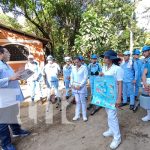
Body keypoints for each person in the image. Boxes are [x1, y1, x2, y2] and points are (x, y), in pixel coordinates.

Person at [0, 46, 30, 150]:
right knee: (3, 122)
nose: (10, 54)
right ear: (1, 53)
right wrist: (10, 78)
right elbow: (8, 78)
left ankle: (17, 131)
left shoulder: (5, 64)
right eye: (7, 52)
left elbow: (10, 77)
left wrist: (19, 72)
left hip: (10, 96)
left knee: (13, 115)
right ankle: (5, 145)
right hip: (3, 99)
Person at [100, 50, 123, 149]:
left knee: (112, 116)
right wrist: (101, 75)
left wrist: (119, 98)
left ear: (111, 59)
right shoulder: (104, 68)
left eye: (106, 57)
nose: (104, 59)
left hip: (114, 96)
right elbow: (104, 81)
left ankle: (117, 138)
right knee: (108, 113)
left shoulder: (117, 69)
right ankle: (111, 130)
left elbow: (120, 83)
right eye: (104, 57)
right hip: (106, 94)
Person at [70, 56, 88, 121]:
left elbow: (85, 78)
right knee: (77, 101)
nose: (76, 63)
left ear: (80, 61)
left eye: (77, 62)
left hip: (81, 87)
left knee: (83, 101)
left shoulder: (84, 68)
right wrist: (71, 84)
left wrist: (80, 85)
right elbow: (71, 76)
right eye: (75, 62)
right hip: (75, 87)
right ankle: (77, 115)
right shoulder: (73, 68)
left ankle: (84, 116)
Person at [140, 45, 150, 121]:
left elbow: (144, 73)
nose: (143, 53)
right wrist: (144, 83)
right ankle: (148, 115)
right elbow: (143, 73)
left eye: (145, 51)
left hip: (147, 81)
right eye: (143, 52)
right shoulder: (144, 61)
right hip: (146, 81)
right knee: (147, 98)